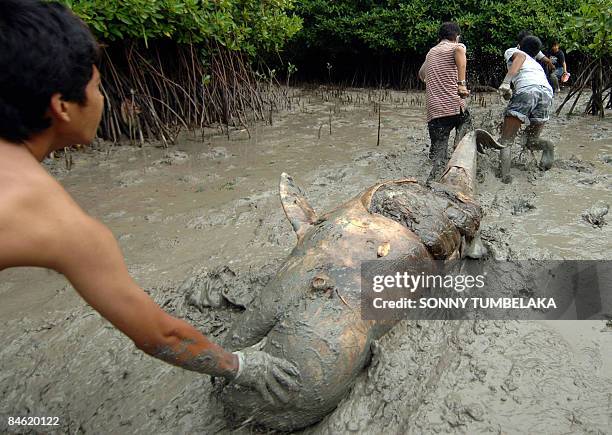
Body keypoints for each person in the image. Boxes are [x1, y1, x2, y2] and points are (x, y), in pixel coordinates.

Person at [0, 0, 299, 405]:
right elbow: (161, 335)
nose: (104, 100)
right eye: (97, 87)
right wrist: (240, 366)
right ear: (62, 107)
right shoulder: (58, 222)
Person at [497, 35, 555, 183]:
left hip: (528, 89)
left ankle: (505, 178)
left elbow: (520, 58)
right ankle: (547, 146)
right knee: (531, 140)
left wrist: (506, 82)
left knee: (506, 141)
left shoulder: (514, 51)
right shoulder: (536, 64)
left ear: (518, 46)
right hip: (547, 92)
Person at [418, 22, 471, 182]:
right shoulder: (456, 46)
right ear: (456, 36)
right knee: (467, 123)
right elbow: (460, 50)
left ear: (438, 38)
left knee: (438, 158)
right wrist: (461, 84)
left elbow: (421, 74)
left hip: (435, 114)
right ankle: (459, 145)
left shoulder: (431, 53)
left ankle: (431, 184)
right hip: (455, 107)